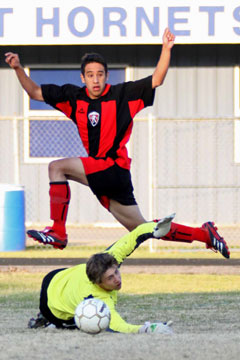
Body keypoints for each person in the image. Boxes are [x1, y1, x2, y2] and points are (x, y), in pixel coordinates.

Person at [5, 28, 176, 250]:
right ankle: (205, 235)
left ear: (107, 75)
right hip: (108, 174)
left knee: (56, 167)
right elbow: (35, 92)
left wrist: (166, 49)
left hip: (113, 167)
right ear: (82, 77)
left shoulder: (123, 94)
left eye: (100, 74)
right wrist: (18, 68)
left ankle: (58, 230)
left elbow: (157, 79)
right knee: (143, 230)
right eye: (90, 75)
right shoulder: (74, 97)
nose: (96, 79)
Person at [28, 213, 230, 333]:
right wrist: (148, 328)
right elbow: (119, 327)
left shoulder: (111, 256)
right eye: (110, 278)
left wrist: (155, 230)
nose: (117, 279)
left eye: (116, 272)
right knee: (81, 323)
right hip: (53, 308)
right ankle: (45, 320)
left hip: (54, 277)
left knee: (72, 280)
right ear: (98, 283)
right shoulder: (97, 300)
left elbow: (135, 235)